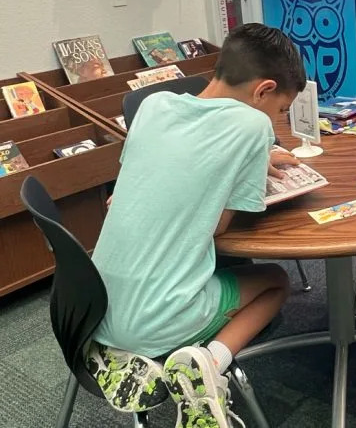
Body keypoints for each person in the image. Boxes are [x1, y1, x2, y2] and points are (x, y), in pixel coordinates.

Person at [88, 23, 307, 427]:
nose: (276, 123)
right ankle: (207, 362)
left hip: (92, 308)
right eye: (280, 110)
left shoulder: (154, 107)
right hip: (160, 318)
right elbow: (219, 230)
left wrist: (256, 162)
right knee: (275, 280)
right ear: (262, 90)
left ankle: (129, 353)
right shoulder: (253, 127)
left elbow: (159, 174)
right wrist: (254, 160)